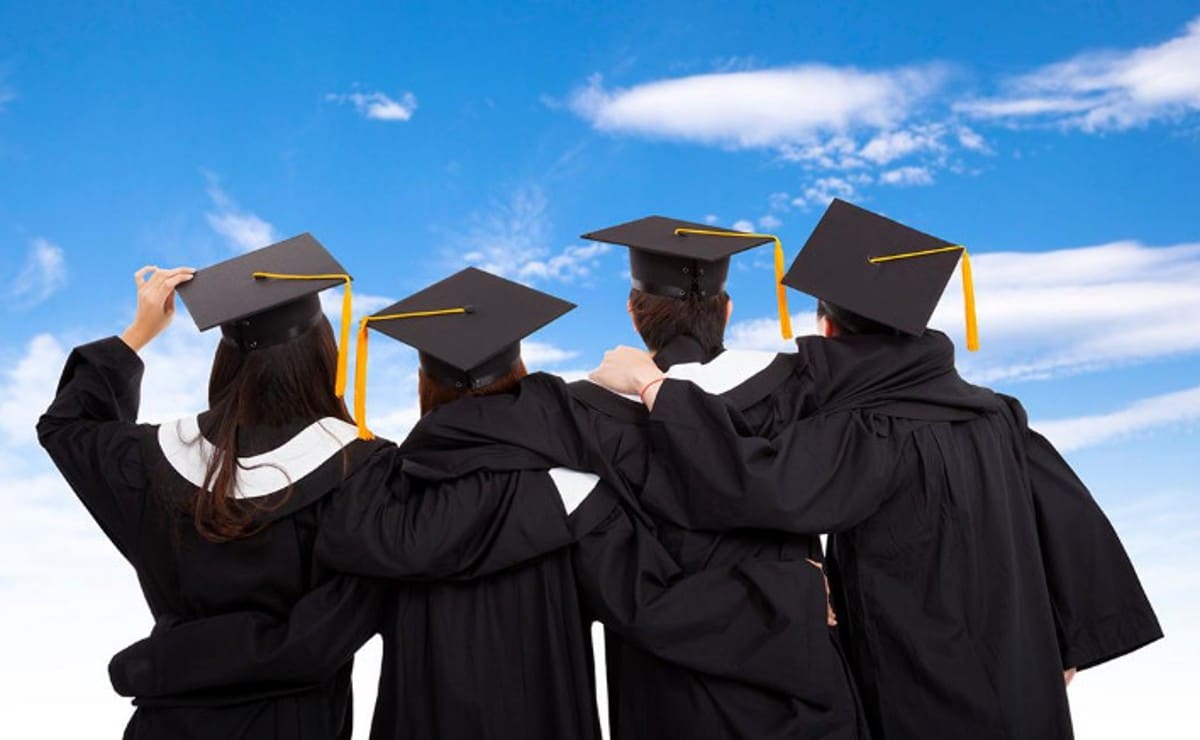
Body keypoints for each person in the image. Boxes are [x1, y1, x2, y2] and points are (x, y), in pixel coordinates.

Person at [107, 267, 831, 740]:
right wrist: (792, 591)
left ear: (426, 385)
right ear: (521, 371)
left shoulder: (373, 500)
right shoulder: (578, 490)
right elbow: (656, 607)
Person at [588, 198, 1164, 740]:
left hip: (922, 678)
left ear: (827, 329)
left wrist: (653, 386)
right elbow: (1074, 522)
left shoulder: (866, 430)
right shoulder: (995, 414)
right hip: (1021, 674)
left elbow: (763, 487)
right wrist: (1068, 644)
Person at [38, 239, 593, 740]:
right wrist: (560, 486)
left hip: (164, 723)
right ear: (324, 355)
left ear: (226, 358)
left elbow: (68, 428)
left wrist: (139, 333)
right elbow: (431, 537)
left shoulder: (148, 462)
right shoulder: (360, 473)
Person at [380, 218, 870, 739]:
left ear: (634, 315)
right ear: (727, 310)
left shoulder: (581, 417)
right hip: (804, 685)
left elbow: (481, 422)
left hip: (665, 699)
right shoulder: (801, 389)